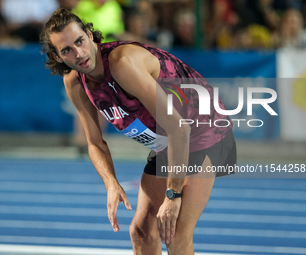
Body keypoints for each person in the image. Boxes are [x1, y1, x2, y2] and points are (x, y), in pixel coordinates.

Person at [40, 8, 236, 255]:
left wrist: (173, 196)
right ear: (57, 57)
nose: (78, 53)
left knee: (174, 234)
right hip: (168, 139)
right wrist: (110, 182)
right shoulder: (74, 81)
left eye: (79, 41)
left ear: (90, 35)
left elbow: (179, 128)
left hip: (203, 129)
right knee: (141, 232)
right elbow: (95, 143)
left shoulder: (122, 64)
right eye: (66, 50)